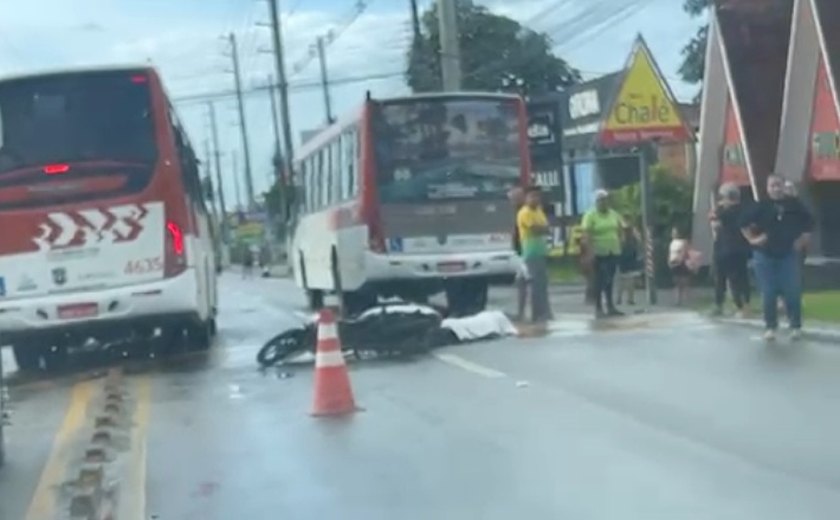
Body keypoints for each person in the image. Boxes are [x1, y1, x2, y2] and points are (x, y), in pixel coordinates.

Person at [739, 174, 814, 341]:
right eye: (772, 185)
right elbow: (742, 223)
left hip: (788, 253)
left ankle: (795, 326)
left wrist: (802, 240)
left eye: (778, 185)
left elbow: (809, 222)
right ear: (767, 187)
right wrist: (753, 239)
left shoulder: (794, 204)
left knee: (792, 291)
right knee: (768, 292)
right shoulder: (760, 206)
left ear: (783, 186)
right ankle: (770, 326)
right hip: (764, 255)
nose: (776, 188)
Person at [709, 183, 751, 317]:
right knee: (741, 277)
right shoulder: (744, 210)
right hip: (741, 248)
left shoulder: (723, 212)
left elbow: (714, 224)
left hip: (724, 248)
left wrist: (716, 209)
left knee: (722, 278)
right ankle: (744, 305)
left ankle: (721, 305)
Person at [581, 189, 625, 318]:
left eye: (605, 200)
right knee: (599, 280)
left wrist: (621, 240)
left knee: (610, 280)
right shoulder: (590, 215)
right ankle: (598, 307)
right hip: (598, 253)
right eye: (600, 200)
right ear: (596, 202)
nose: (603, 203)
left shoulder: (613, 214)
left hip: (613, 250)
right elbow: (586, 234)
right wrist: (590, 252)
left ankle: (611, 306)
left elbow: (620, 227)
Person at [516, 186, 552, 322]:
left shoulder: (538, 211)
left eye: (538, 196)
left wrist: (543, 229)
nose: (535, 199)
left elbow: (546, 228)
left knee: (542, 283)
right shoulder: (524, 213)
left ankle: (544, 312)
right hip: (530, 251)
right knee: (535, 284)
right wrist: (543, 228)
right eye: (532, 196)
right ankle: (536, 314)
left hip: (541, 250)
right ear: (526, 198)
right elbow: (535, 229)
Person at [508, 186, 529, 321]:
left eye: (515, 198)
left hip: (524, 249)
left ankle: (523, 312)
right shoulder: (511, 212)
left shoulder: (524, 212)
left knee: (524, 281)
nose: (513, 201)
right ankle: (521, 311)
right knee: (521, 281)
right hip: (516, 250)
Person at [616, 218, 642, 306]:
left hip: (625, 259)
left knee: (624, 280)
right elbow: (639, 242)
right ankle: (628, 299)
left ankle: (621, 298)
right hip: (627, 259)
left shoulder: (623, 238)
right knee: (628, 280)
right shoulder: (628, 239)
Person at [668, 227, 692, 305]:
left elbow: (685, 252)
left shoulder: (683, 242)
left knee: (684, 282)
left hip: (682, 264)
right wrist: (669, 261)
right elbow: (670, 253)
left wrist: (681, 260)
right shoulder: (672, 242)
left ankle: (686, 300)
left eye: (675, 232)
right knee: (676, 283)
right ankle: (678, 300)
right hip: (674, 264)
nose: (673, 234)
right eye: (673, 232)